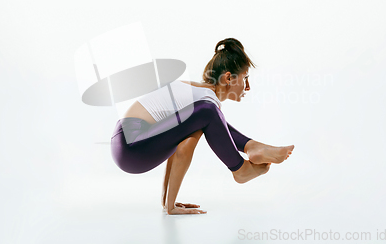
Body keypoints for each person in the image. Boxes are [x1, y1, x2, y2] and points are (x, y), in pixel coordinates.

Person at [111, 38, 295, 215]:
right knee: (208, 112)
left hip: (129, 145)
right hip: (132, 144)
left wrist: (168, 201)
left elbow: (175, 147)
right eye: (245, 78)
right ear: (229, 78)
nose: (247, 87)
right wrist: (171, 207)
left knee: (207, 115)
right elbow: (184, 150)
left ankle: (252, 147)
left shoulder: (197, 96)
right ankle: (240, 167)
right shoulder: (205, 102)